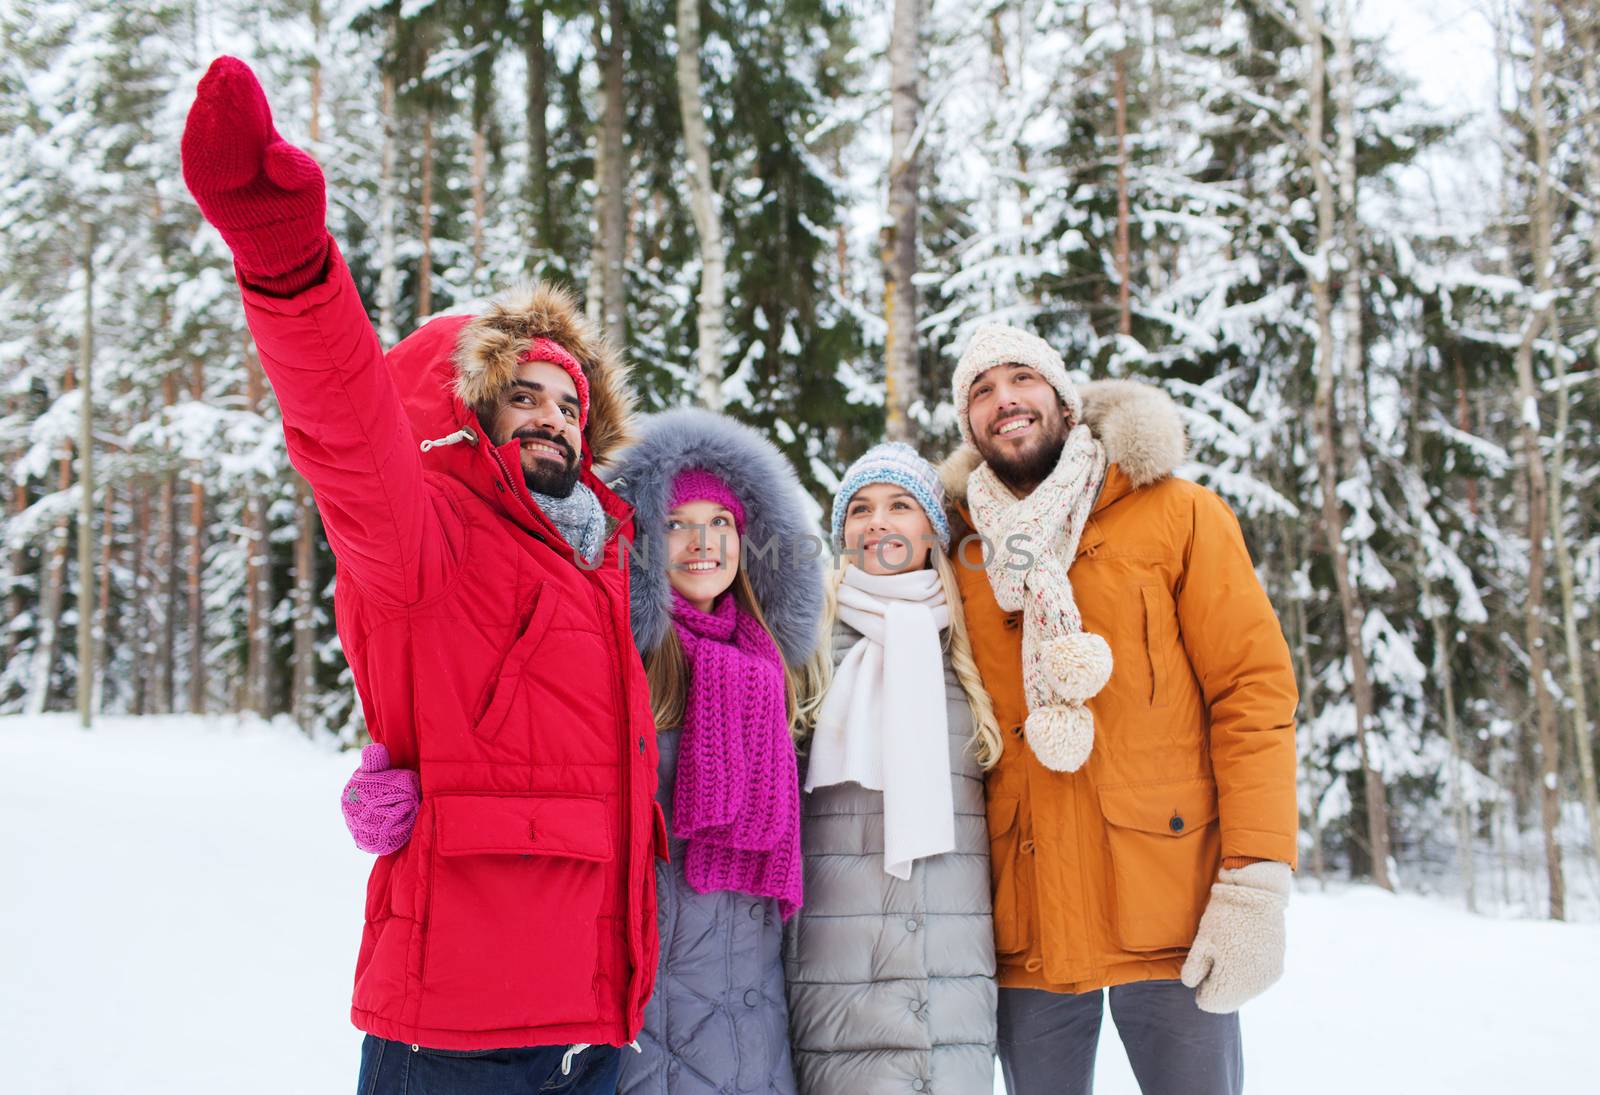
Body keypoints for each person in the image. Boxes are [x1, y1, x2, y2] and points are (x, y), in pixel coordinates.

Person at [180, 56, 660, 1094]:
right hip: (457, 1026)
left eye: (570, 404)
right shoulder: (425, 533)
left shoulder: (596, 562)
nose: (551, 416)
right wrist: (286, 256)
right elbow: (346, 432)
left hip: (590, 1024)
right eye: (523, 395)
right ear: (472, 410)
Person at [939, 325, 1299, 1095]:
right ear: (967, 422)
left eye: (1022, 379)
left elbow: (1253, 691)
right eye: (981, 389)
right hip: (1028, 919)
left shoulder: (1178, 513)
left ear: (1065, 401)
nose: (1005, 400)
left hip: (1172, 907)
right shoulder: (962, 549)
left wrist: (1255, 880)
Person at [605, 409, 824, 1095]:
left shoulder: (775, 671)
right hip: (652, 1018)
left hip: (754, 1022)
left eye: (721, 522)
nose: (704, 541)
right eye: (677, 523)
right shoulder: (624, 664)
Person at [784, 443, 1001, 1095]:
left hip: (954, 983)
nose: (876, 521)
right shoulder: (807, 647)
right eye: (860, 509)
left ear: (934, 528)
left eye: (900, 505)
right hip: (837, 979)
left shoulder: (969, 648)